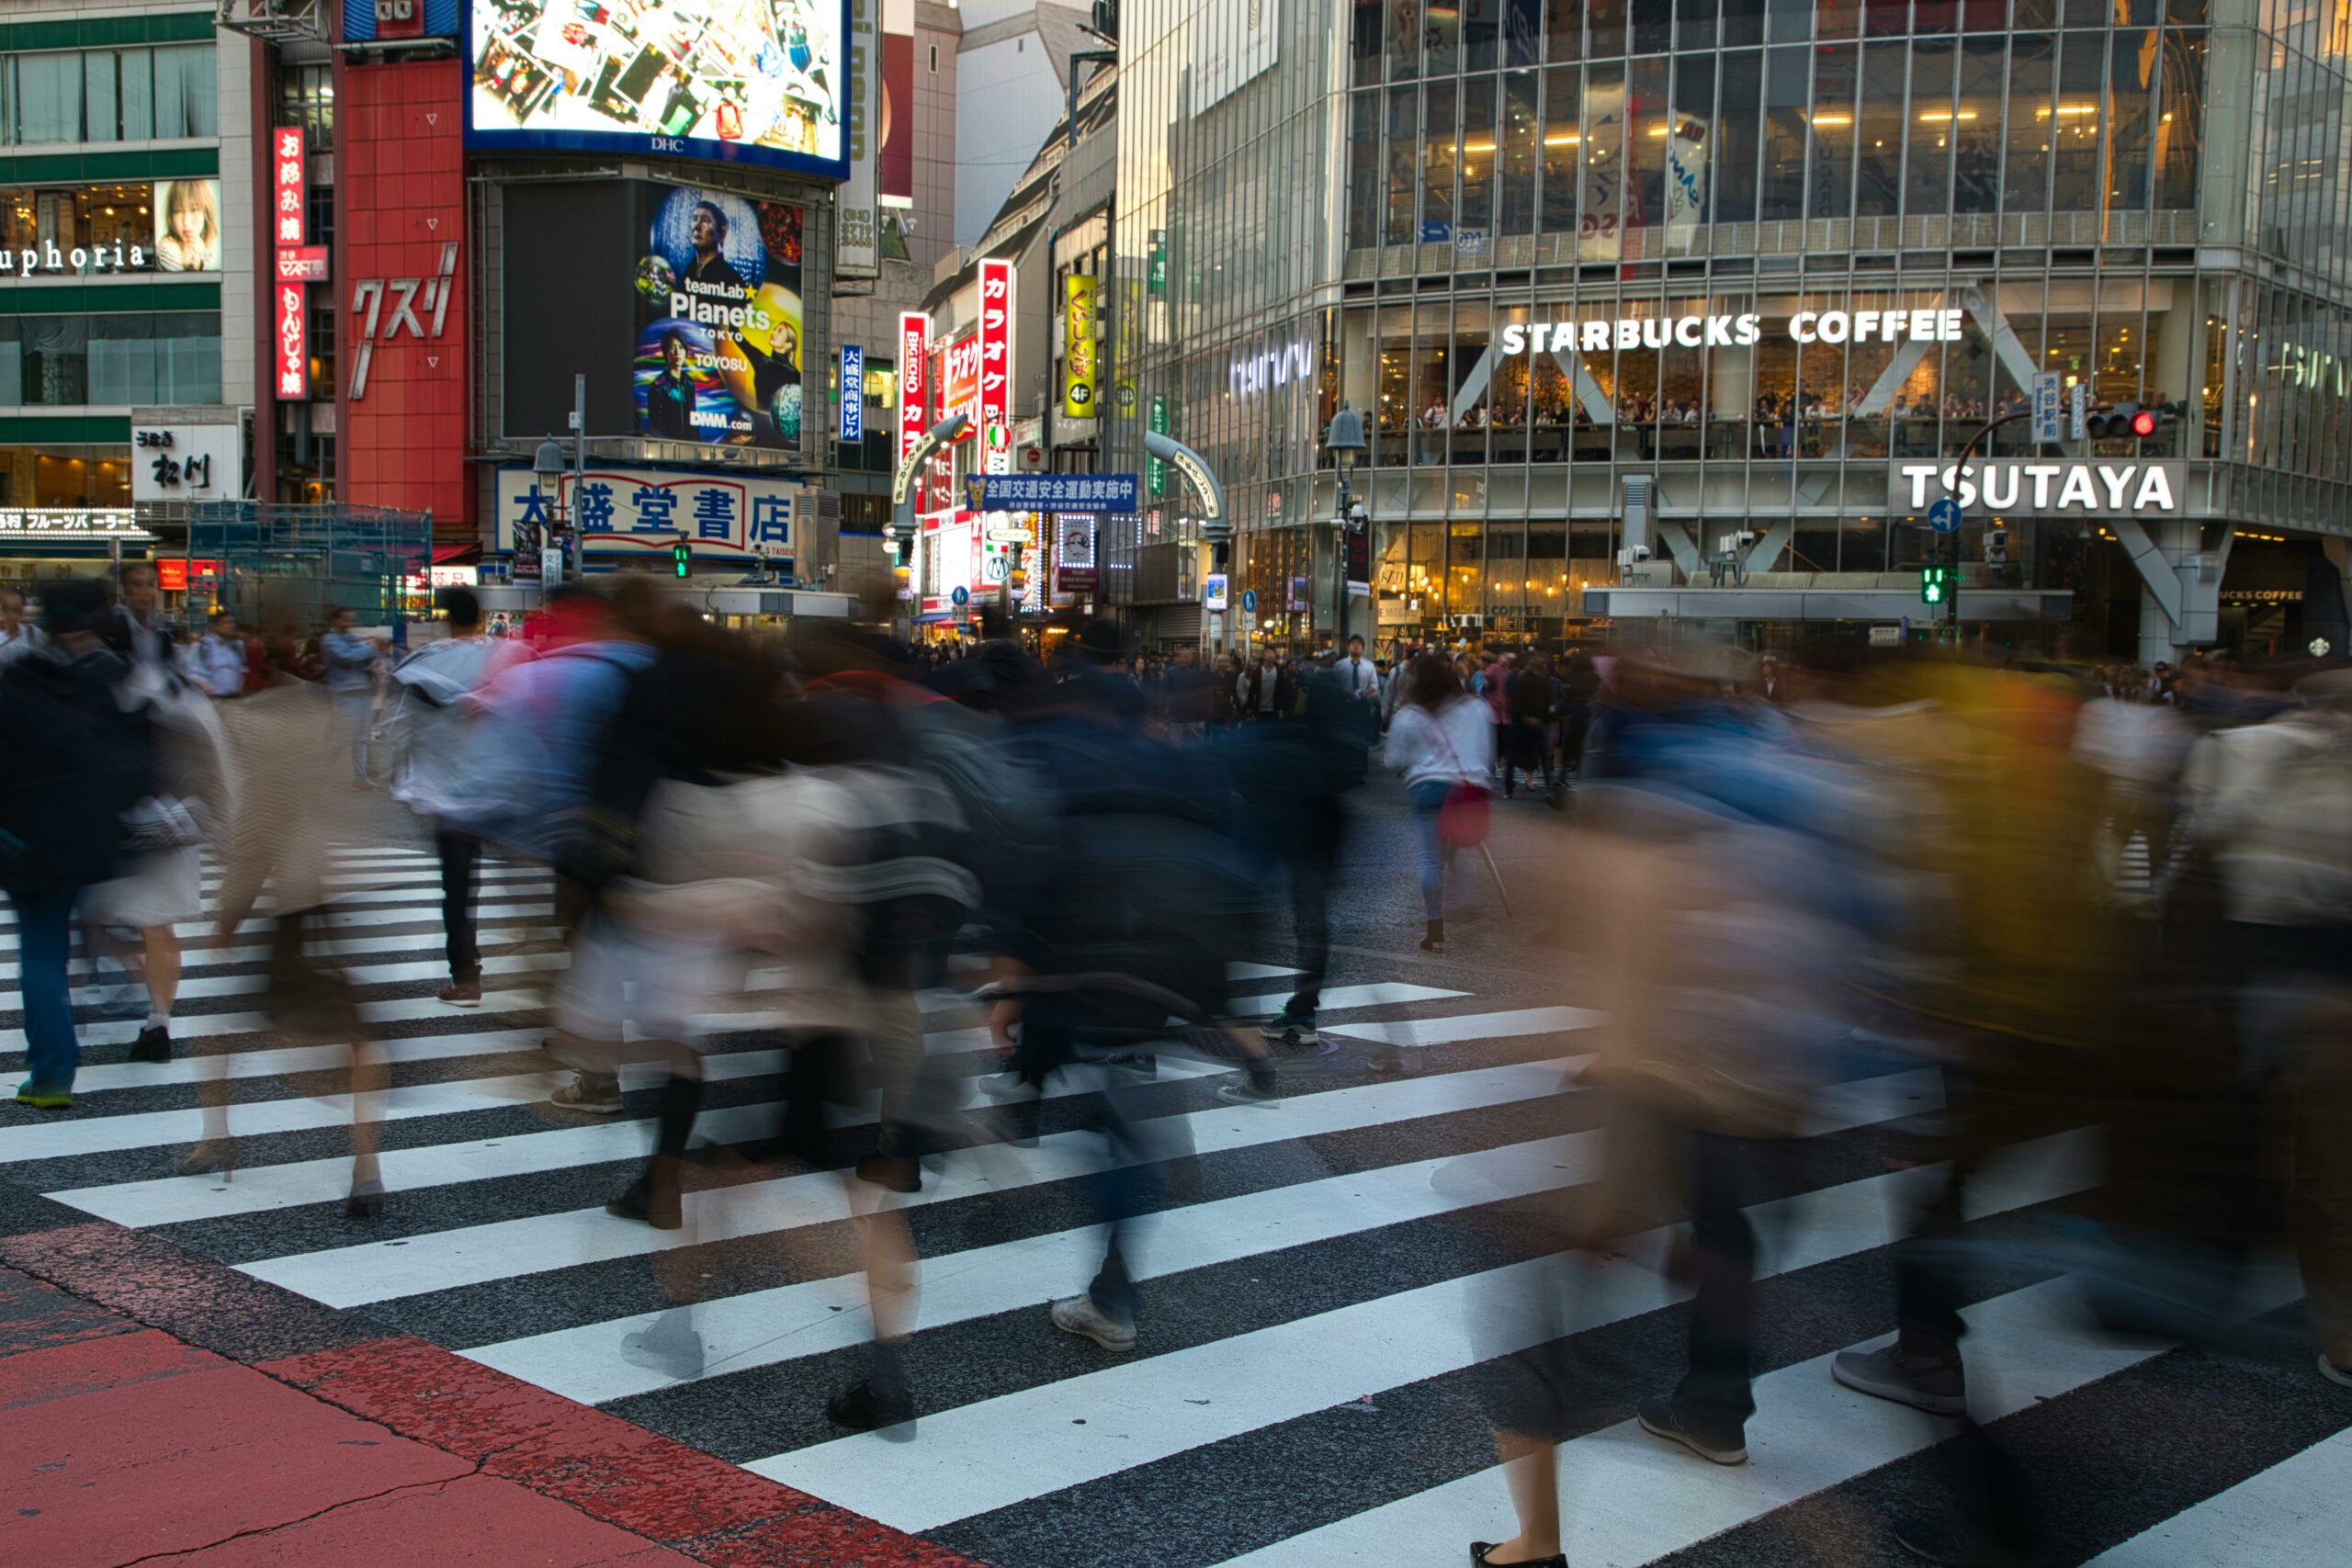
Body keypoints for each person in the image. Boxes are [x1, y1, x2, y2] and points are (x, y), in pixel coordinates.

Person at [0, 581, 153, 1109]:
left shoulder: (17, 678)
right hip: (94, 837)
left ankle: (51, 1075)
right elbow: (140, 761)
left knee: (41, 953)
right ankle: (118, 984)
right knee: (93, 922)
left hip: (28, 840)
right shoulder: (112, 678)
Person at [385, 587, 514, 1008]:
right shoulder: (505, 658)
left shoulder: (425, 662)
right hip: (498, 786)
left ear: (447, 619)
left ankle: (465, 976)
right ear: (481, 617)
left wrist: (403, 778)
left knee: (457, 885)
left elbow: (399, 726)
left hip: (447, 794)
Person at [1385, 653, 1492, 954]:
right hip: (1466, 790)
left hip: (1429, 787)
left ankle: (1435, 931)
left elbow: (1393, 760)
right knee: (1452, 852)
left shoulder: (1410, 713)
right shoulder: (1476, 706)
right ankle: (1466, 901)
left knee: (1431, 857)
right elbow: (1486, 753)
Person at [320, 605, 383, 784]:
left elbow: (366, 657)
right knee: (343, 735)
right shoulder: (329, 640)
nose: (349, 623)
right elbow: (347, 657)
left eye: (351, 620)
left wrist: (369, 651)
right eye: (345, 619)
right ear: (335, 621)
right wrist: (371, 648)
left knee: (362, 737)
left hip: (363, 691)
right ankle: (324, 768)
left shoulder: (353, 639)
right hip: (344, 693)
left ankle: (360, 778)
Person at [682, 199, 746, 293]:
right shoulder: (689, 270)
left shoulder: (732, 279)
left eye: (705, 220)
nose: (697, 226)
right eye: (695, 219)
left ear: (722, 235)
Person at [156, 178, 220, 272]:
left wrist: (199, 263)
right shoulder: (167, 250)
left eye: (194, 209)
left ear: (206, 213)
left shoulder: (208, 252)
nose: (186, 221)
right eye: (178, 211)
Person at [647, 331, 698, 441]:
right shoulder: (658, 386)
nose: (677, 352)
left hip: (689, 447)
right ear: (665, 352)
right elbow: (655, 425)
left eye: (681, 347)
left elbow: (694, 418)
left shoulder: (689, 382)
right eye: (672, 347)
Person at [190, 609, 247, 697]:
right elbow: (193, 673)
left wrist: (239, 687)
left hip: (235, 699)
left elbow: (241, 669)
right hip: (213, 700)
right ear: (215, 626)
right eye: (226, 623)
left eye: (232, 623)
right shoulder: (204, 645)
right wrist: (207, 688)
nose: (231, 626)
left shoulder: (237, 645)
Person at [1238, 646, 1293, 720]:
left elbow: (1283, 690)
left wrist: (1285, 707)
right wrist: (1249, 707)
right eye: (1268, 653)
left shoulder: (1279, 672)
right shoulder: (1258, 672)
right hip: (1259, 708)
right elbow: (1252, 690)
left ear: (1275, 656)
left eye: (1272, 653)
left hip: (1274, 708)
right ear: (1263, 655)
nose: (1270, 655)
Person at [0, 585, 41, 669]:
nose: (10, 615)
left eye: (16, 610)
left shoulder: (34, 634)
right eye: (5, 609)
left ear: (23, 609)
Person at [1338, 633, 1381, 705]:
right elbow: (1335, 684)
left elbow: (1374, 684)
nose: (1356, 645)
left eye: (1359, 643)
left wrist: (1364, 693)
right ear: (1348, 647)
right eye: (1353, 643)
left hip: (1363, 702)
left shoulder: (1369, 665)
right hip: (1343, 703)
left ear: (1363, 648)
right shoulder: (1339, 665)